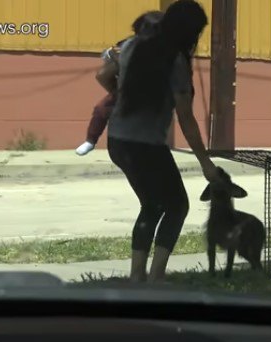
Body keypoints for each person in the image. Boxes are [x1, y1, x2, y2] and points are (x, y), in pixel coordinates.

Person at [105, 0, 219, 283]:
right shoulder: (176, 60)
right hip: (146, 145)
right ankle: (155, 276)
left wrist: (119, 95)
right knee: (177, 205)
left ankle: (136, 275)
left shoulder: (131, 45)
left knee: (152, 204)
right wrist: (206, 162)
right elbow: (186, 118)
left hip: (118, 140)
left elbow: (104, 73)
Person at [75, 11, 164, 156]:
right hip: (126, 87)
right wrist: (112, 56)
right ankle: (91, 141)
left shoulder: (163, 49)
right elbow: (111, 56)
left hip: (149, 91)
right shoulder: (129, 43)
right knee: (101, 108)